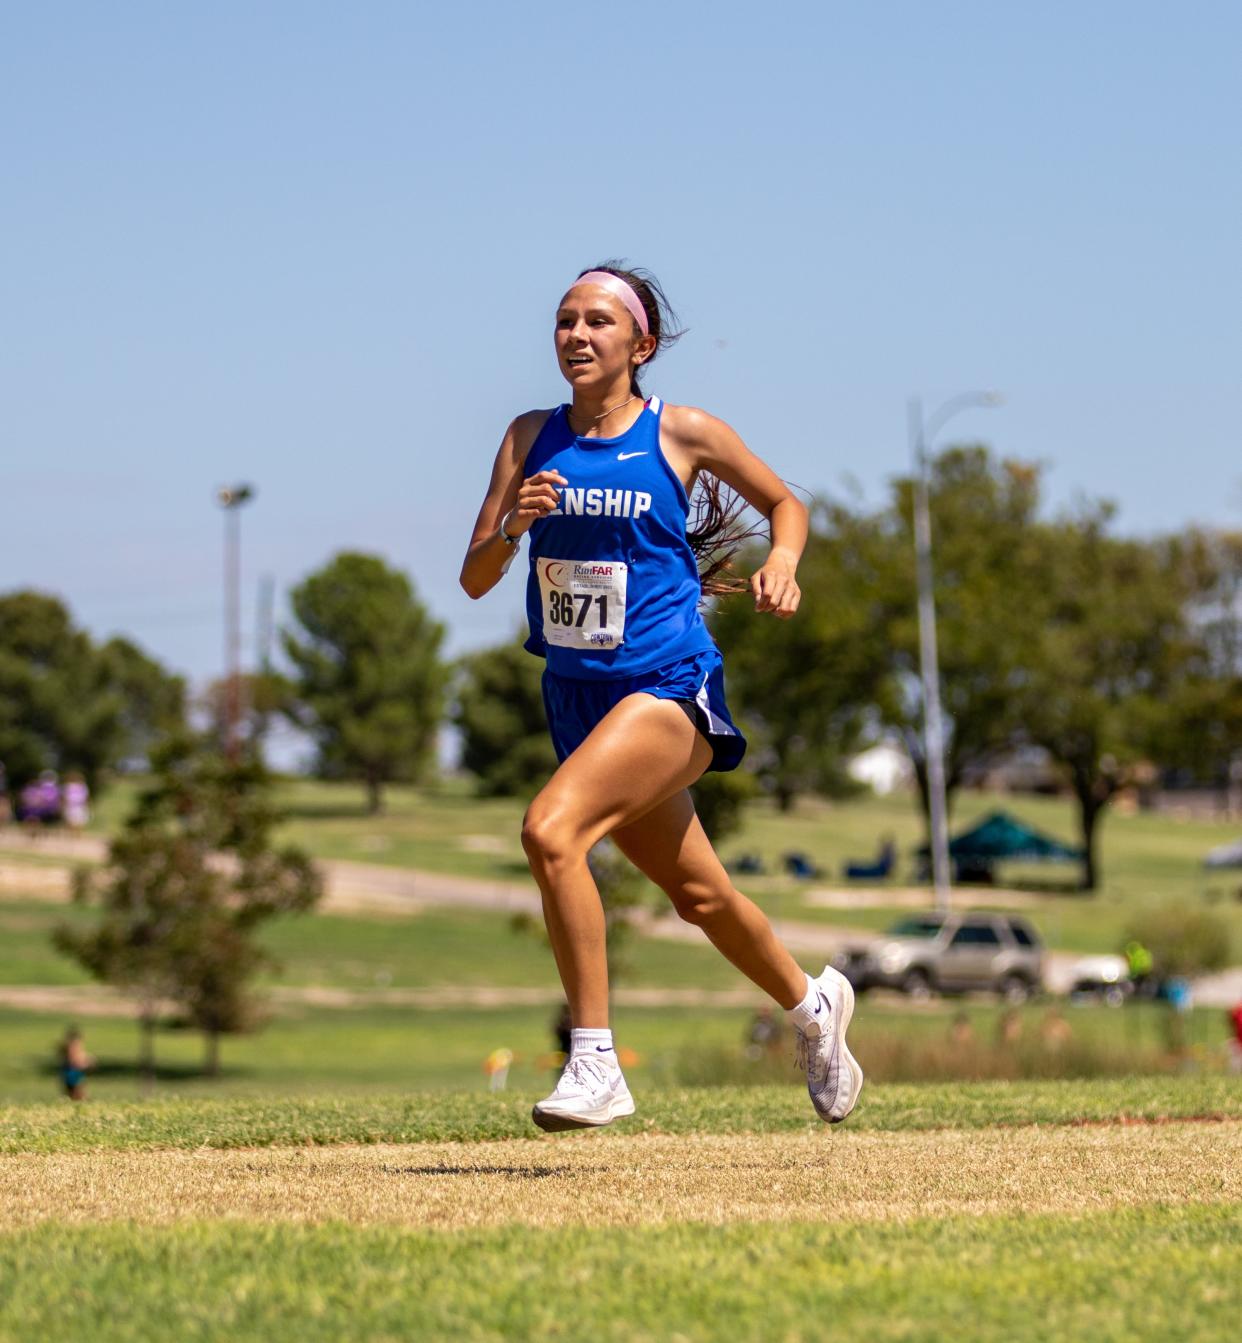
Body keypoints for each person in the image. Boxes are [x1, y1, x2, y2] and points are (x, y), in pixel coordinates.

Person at [460, 262, 862, 1132]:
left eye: (598, 321)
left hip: (669, 689)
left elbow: (784, 503)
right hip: (576, 700)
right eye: (565, 320)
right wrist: (512, 526)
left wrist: (782, 561)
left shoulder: (679, 431)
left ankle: (594, 1057)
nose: (576, 334)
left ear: (639, 344)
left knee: (549, 829)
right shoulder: (527, 436)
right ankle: (814, 1007)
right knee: (701, 896)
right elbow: (474, 576)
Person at [58, 1025, 94, 1101]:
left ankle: (78, 1099)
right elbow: (74, 1061)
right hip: (72, 1072)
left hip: (74, 1072)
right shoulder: (72, 1047)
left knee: (78, 1090)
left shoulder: (74, 1047)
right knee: (75, 1091)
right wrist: (85, 1064)